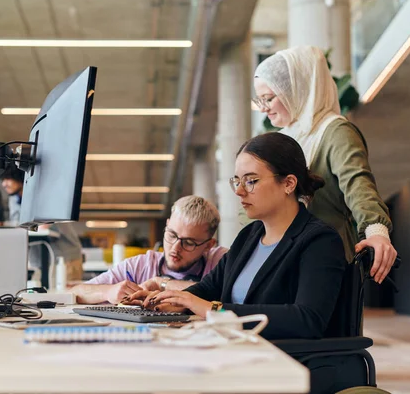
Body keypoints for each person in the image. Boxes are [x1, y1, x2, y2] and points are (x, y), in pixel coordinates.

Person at [128, 133, 347, 340]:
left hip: (283, 359)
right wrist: (172, 301)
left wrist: (212, 309)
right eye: (237, 181)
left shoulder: (319, 241)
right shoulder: (249, 236)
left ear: (289, 183)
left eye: (251, 181)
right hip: (236, 347)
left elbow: (307, 320)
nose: (239, 191)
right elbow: (207, 288)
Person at [252, 45, 397, 284]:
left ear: (296, 90)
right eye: (259, 100)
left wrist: (377, 232)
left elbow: (358, 185)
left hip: (325, 261)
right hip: (282, 261)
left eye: (268, 98)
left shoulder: (335, 131)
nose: (263, 108)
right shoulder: (287, 137)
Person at [71, 195, 228, 304]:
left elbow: (225, 297)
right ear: (167, 225)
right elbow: (77, 292)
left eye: (188, 243)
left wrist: (162, 284)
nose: (175, 248)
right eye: (172, 235)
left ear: (208, 245)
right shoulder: (139, 266)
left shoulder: (221, 261)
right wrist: (108, 291)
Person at [0, 167, 84, 281]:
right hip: (38, 261)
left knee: (62, 296)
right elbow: (17, 225)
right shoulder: (14, 199)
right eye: (3, 180)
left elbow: (43, 226)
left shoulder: (44, 195)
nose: (4, 184)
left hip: (64, 257)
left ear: (21, 178)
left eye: (8, 179)